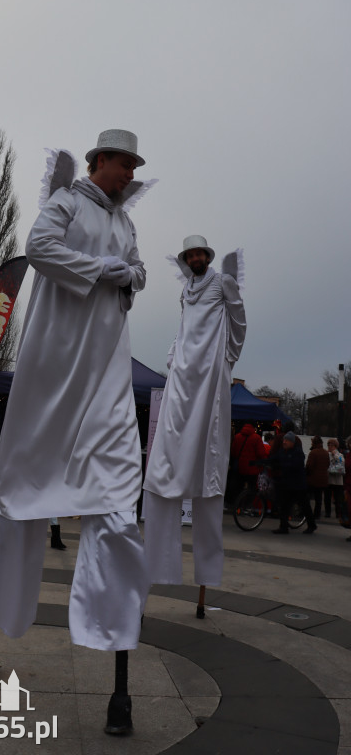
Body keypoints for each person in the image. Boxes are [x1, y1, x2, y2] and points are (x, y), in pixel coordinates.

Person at [0, 130, 155, 734]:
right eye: (122, 163)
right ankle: (0, 622)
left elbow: (132, 273)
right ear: (99, 161)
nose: (128, 174)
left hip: (107, 371)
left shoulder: (126, 224)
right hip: (57, 369)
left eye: (135, 166)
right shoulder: (67, 204)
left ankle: (115, 660)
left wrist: (129, 275)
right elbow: (39, 247)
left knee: (116, 496)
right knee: (24, 490)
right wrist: (100, 269)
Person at [143, 235, 246, 594]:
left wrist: (228, 360)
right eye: (191, 254)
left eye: (201, 253)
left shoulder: (223, 282)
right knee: (167, 454)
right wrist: (173, 357)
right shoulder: (186, 290)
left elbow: (239, 322)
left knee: (208, 453)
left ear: (207, 256)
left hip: (210, 375)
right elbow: (183, 327)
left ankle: (205, 575)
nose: (196, 258)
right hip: (183, 375)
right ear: (187, 259)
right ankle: (159, 567)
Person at [268, 431, 317, 534]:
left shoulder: (298, 452)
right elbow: (274, 458)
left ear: (292, 442)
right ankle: (283, 527)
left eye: (287, 440)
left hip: (298, 485)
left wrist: (281, 466)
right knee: (284, 505)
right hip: (287, 483)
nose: (284, 442)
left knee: (304, 505)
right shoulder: (282, 451)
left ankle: (312, 525)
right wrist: (262, 461)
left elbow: (295, 466)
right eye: (284, 440)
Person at [230, 421, 267, 497]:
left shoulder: (237, 436)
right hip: (252, 469)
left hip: (239, 467)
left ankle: (237, 505)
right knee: (252, 488)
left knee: (238, 487)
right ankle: (248, 505)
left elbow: (233, 452)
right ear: (254, 427)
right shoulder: (256, 438)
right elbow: (261, 454)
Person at [305, 435, 329, 520]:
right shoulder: (326, 453)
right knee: (318, 498)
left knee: (306, 496)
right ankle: (317, 514)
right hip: (323, 479)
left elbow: (309, 466)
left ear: (314, 443)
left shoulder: (313, 452)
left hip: (313, 479)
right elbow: (328, 465)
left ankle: (306, 513)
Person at [325, 438, 345, 519]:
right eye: (328, 445)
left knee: (337, 498)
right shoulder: (327, 454)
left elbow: (342, 461)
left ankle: (338, 513)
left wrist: (335, 455)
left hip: (337, 480)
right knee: (327, 497)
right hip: (329, 479)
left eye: (331, 445)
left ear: (335, 446)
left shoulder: (340, 455)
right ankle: (327, 512)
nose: (329, 446)